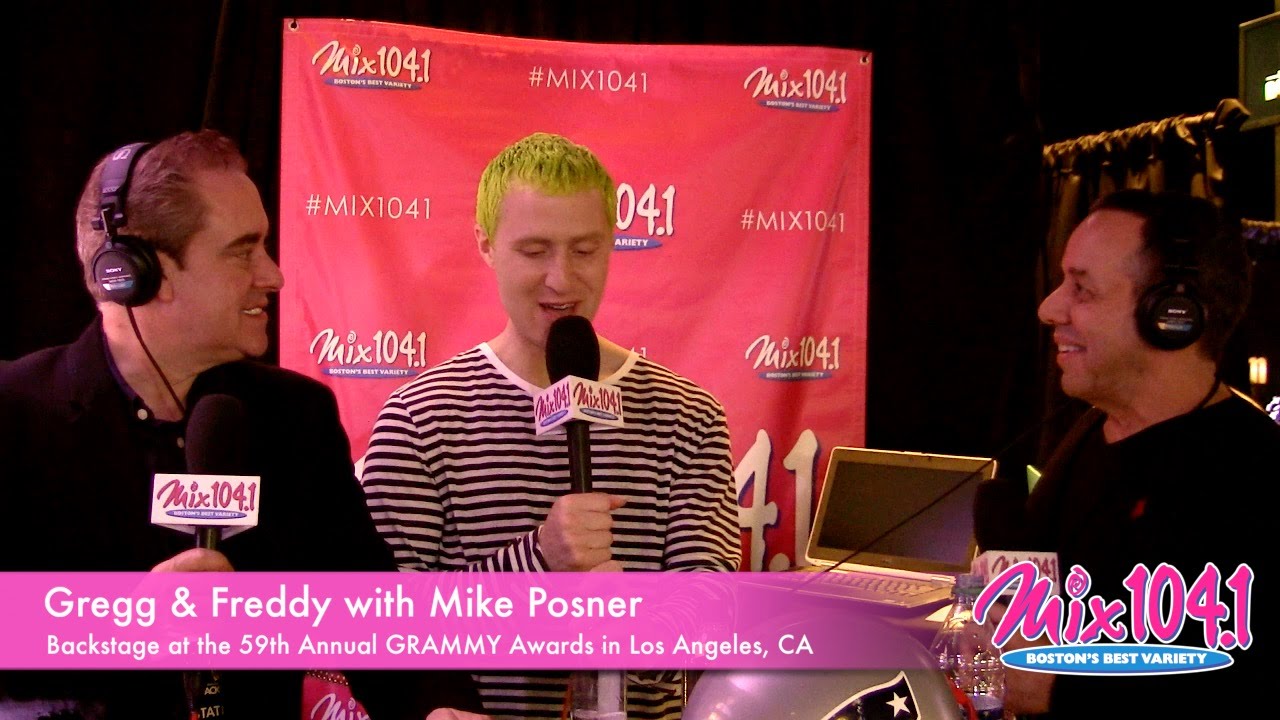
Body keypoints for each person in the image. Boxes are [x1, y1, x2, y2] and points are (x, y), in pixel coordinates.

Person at [0, 130, 486, 720]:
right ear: (137, 272)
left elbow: (373, 613)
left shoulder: (293, 417)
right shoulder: (18, 412)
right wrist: (122, 625)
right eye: (242, 250)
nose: (274, 276)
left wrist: (440, 706)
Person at [360, 132, 742, 719]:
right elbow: (388, 629)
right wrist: (539, 560)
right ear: (486, 245)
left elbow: (709, 625)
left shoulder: (686, 414)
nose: (562, 281)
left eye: (585, 250)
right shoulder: (421, 417)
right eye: (535, 251)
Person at [999, 189, 1279, 716]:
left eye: (1082, 289)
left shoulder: (1257, 479)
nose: (1048, 308)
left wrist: (1062, 693)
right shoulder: (1089, 436)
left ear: (1172, 314)